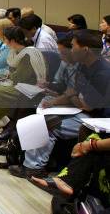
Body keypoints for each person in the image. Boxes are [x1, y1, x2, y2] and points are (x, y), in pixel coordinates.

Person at [9, 31, 110, 179]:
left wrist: (72, 96)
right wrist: (55, 102)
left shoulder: (102, 72)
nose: (71, 49)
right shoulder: (84, 65)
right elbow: (72, 92)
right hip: (80, 110)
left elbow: (87, 105)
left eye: (74, 46)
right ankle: (27, 161)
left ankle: (35, 168)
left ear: (85, 49)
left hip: (97, 119)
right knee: (38, 118)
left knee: (48, 125)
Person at [0, 26, 47, 146]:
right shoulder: (16, 51)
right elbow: (11, 72)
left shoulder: (29, 54)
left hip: (29, 88)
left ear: (12, 40)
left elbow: (20, 77)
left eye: (5, 39)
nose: (4, 42)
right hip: (18, 84)